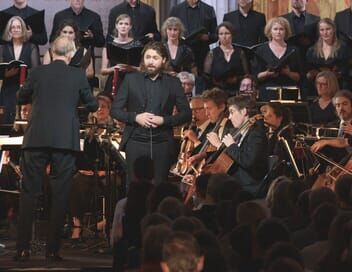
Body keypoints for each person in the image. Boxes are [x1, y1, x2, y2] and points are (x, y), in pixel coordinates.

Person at [14, 36, 98, 261]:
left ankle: (22, 248)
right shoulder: (78, 74)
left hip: (36, 138)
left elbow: (21, 96)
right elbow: (93, 104)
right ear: (71, 54)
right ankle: (53, 250)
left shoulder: (37, 72)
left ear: (51, 52)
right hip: (64, 140)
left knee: (29, 193)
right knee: (60, 194)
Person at [111, 41, 192, 186]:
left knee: (159, 187)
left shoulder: (173, 83)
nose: (150, 61)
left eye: (155, 58)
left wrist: (164, 120)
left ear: (164, 60)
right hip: (135, 141)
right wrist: (135, 117)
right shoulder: (131, 80)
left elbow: (186, 114)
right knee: (134, 187)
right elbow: (115, 110)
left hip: (162, 143)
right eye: (148, 57)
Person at [70, 92, 114, 244]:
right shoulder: (88, 132)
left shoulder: (114, 130)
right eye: (97, 108)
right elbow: (82, 157)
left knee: (114, 182)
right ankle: (77, 225)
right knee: (76, 180)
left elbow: (117, 158)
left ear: (109, 110)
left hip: (109, 171)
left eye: (103, 107)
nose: (100, 110)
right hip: (91, 172)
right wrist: (83, 168)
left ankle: (106, 222)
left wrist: (105, 171)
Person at [222, 95, 268, 194]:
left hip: (248, 186)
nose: (229, 117)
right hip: (238, 181)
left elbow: (248, 161)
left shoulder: (256, 134)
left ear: (244, 111)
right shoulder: (243, 132)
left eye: (232, 112)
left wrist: (231, 145)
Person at [0, 16, 40, 125]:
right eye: (13, 27)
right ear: (9, 30)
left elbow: (36, 71)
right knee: (7, 121)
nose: (16, 29)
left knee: (27, 123)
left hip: (27, 88)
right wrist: (6, 74)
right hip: (8, 88)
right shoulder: (3, 48)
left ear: (23, 29)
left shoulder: (31, 47)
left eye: (18, 27)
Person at [254, 17, 302, 101]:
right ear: (270, 31)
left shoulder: (293, 50)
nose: (278, 32)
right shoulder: (261, 50)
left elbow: (299, 76)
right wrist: (267, 73)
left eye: (281, 29)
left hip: (288, 91)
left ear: (286, 31)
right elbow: (256, 76)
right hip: (268, 91)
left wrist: (288, 73)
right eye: (275, 29)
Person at [169, 0, 217, 74]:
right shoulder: (176, 9)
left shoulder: (209, 9)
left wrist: (207, 37)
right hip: (181, 54)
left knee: (201, 81)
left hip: (201, 54)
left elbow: (216, 35)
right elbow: (168, 30)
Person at [203, 22, 249, 96]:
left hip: (236, 91)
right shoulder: (212, 53)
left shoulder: (240, 52)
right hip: (217, 92)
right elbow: (206, 76)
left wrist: (236, 79)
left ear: (232, 35)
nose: (224, 36)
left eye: (227, 33)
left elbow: (246, 74)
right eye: (221, 34)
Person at [101, 14, 142, 94]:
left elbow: (142, 69)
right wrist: (115, 68)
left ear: (130, 27)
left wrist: (131, 68)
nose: (123, 26)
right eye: (121, 23)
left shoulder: (137, 44)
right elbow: (103, 71)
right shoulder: (109, 45)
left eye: (126, 24)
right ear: (116, 26)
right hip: (115, 80)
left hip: (132, 81)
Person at [305, 18, 349, 89]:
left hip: (338, 88)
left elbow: (345, 71)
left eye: (328, 29)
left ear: (334, 29)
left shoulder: (343, 48)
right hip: (316, 89)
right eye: (322, 30)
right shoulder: (311, 51)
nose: (325, 33)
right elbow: (308, 72)